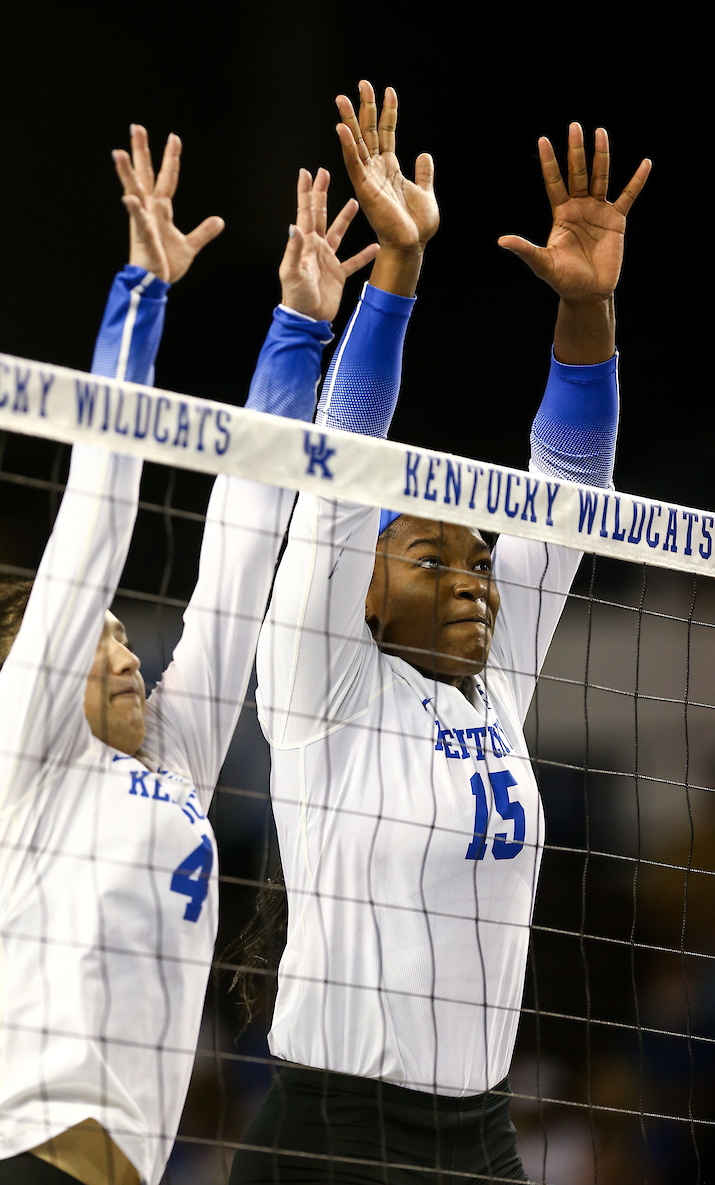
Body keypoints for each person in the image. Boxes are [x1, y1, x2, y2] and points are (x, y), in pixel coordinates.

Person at [0, 126, 377, 1185]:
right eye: (97, 641)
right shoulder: (21, 777)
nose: (124, 654)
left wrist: (298, 330)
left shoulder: (168, 768)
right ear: (12, 685)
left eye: (126, 636)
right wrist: (142, 293)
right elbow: (97, 517)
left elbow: (239, 565)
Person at [229, 83, 651, 1183]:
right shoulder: (321, 685)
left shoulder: (490, 682)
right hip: (334, 1138)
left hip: (478, 1138)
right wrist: (397, 280)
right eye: (432, 558)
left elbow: (567, 485)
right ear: (362, 590)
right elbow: (341, 461)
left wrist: (585, 317)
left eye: (477, 561)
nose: (475, 582)